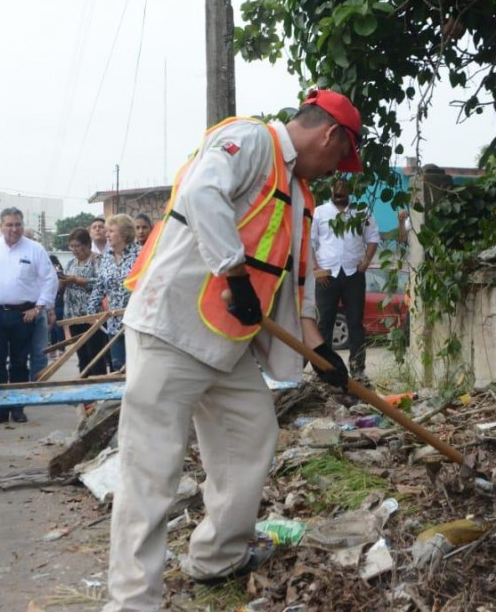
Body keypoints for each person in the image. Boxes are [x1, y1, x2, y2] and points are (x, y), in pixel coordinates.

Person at [102, 89, 359, 611]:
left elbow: (297, 284)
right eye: (340, 158)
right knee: (151, 468)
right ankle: (133, 602)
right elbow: (201, 195)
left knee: (251, 437)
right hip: (170, 331)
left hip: (227, 345)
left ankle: (217, 556)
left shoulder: (300, 197)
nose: (337, 171)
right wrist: (233, 272)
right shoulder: (248, 140)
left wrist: (319, 352)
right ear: (330, 135)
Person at [0, 207, 57, 425]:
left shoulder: (35, 249)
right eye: (9, 224)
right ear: (1, 226)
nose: (14, 229)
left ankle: (17, 407)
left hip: (24, 315)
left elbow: (49, 279)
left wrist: (40, 307)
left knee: (20, 363)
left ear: (22, 225)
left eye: (18, 224)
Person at [312, 179, 381, 377]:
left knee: (355, 323)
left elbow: (373, 237)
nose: (339, 193)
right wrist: (316, 268)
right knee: (324, 322)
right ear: (331, 191)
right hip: (327, 276)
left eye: (343, 189)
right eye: (336, 189)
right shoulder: (320, 212)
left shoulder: (361, 211)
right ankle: (323, 369)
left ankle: (358, 369)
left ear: (350, 191)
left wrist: (366, 261)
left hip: (354, 274)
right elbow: (310, 241)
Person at [87, 214, 140, 371]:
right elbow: (100, 285)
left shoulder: (140, 255)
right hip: (114, 323)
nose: (106, 234)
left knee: (137, 368)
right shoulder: (106, 258)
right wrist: (92, 310)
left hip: (136, 323)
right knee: (118, 366)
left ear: (124, 234)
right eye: (107, 231)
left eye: (111, 231)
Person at [61, 228, 107, 376]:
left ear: (87, 245)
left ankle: (98, 391)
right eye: (71, 246)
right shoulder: (70, 263)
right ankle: (86, 394)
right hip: (75, 317)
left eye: (77, 246)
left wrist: (79, 280)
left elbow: (103, 283)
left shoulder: (98, 261)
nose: (74, 250)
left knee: (95, 356)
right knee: (82, 357)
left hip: (92, 317)